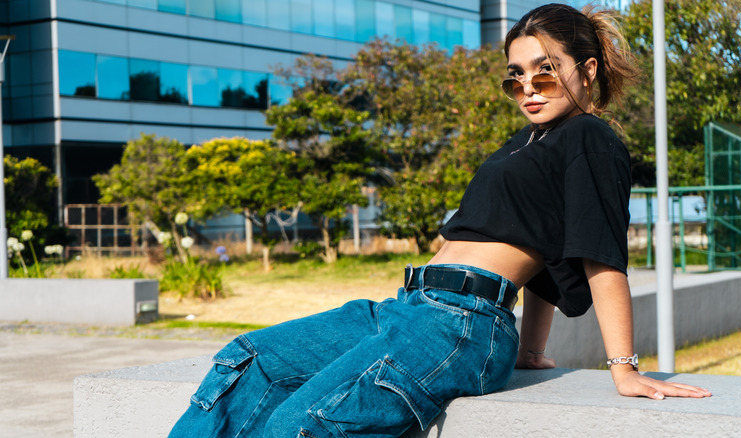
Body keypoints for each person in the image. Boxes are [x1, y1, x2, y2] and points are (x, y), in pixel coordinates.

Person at [169, 4, 711, 437]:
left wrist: (624, 367)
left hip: (461, 325)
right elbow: (547, 247)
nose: (527, 88)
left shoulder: (591, 139)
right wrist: (531, 350)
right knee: (245, 361)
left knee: (300, 426)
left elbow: (598, 254)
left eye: (545, 74)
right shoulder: (523, 144)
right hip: (406, 308)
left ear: (586, 70)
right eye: (515, 76)